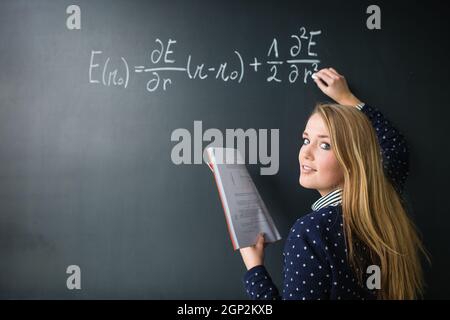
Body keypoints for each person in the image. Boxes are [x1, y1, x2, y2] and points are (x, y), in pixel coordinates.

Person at [239, 67, 428, 300]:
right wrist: (347, 98)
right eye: (306, 139)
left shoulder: (312, 232)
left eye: (325, 145)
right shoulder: (385, 204)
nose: (305, 153)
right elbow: (395, 150)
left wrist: (254, 269)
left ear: (352, 160)